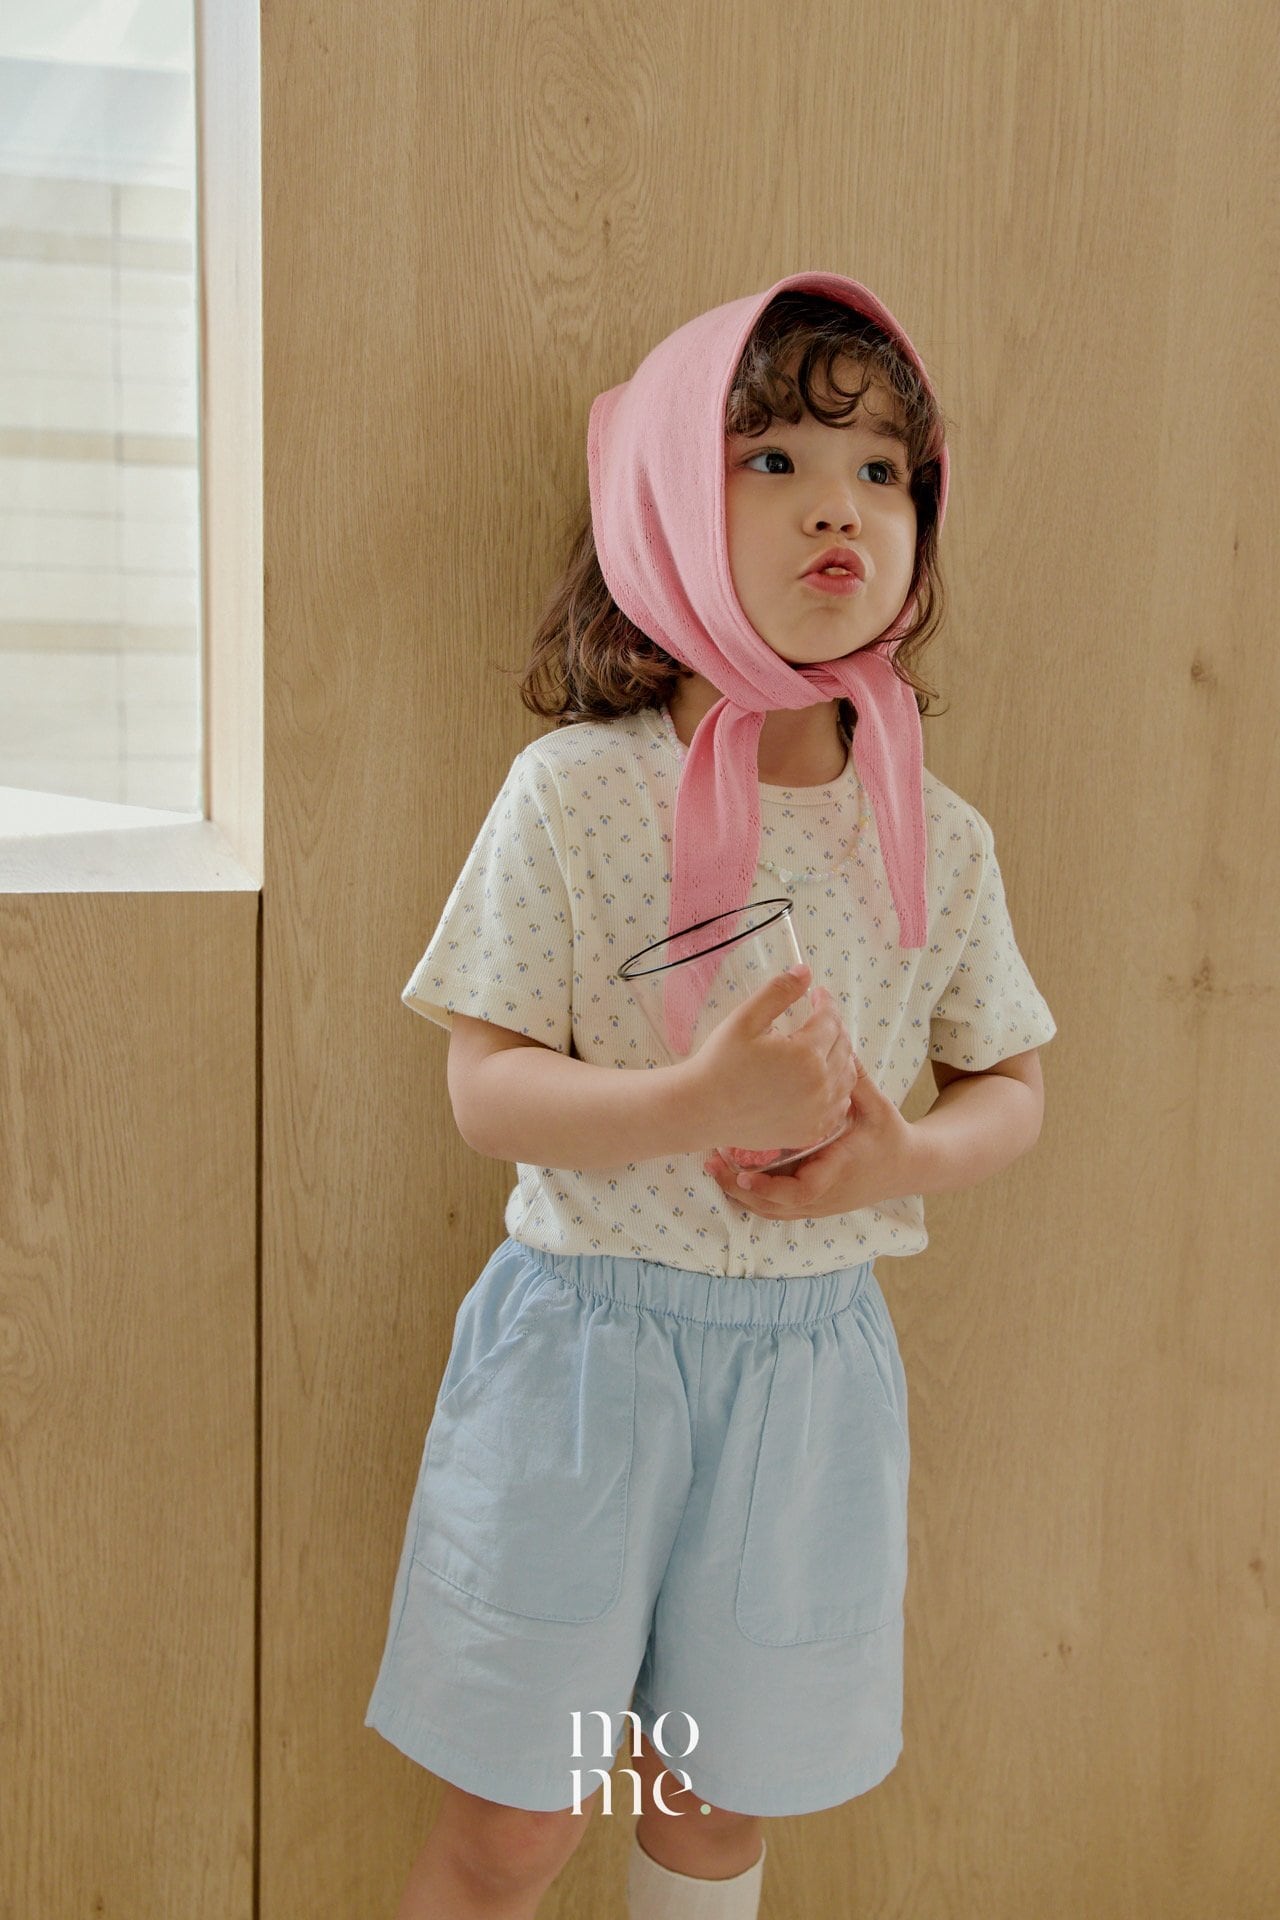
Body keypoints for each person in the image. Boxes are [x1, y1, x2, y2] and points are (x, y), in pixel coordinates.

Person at [365, 270, 1058, 1920]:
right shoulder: (575, 793)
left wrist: (900, 1154)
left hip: (810, 1381)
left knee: (710, 1806)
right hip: (584, 1363)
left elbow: (1011, 1084)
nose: (839, 504)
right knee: (518, 1823)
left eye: (882, 469)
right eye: (774, 460)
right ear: (668, 508)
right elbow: (486, 1089)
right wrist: (690, 1101)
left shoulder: (938, 835)